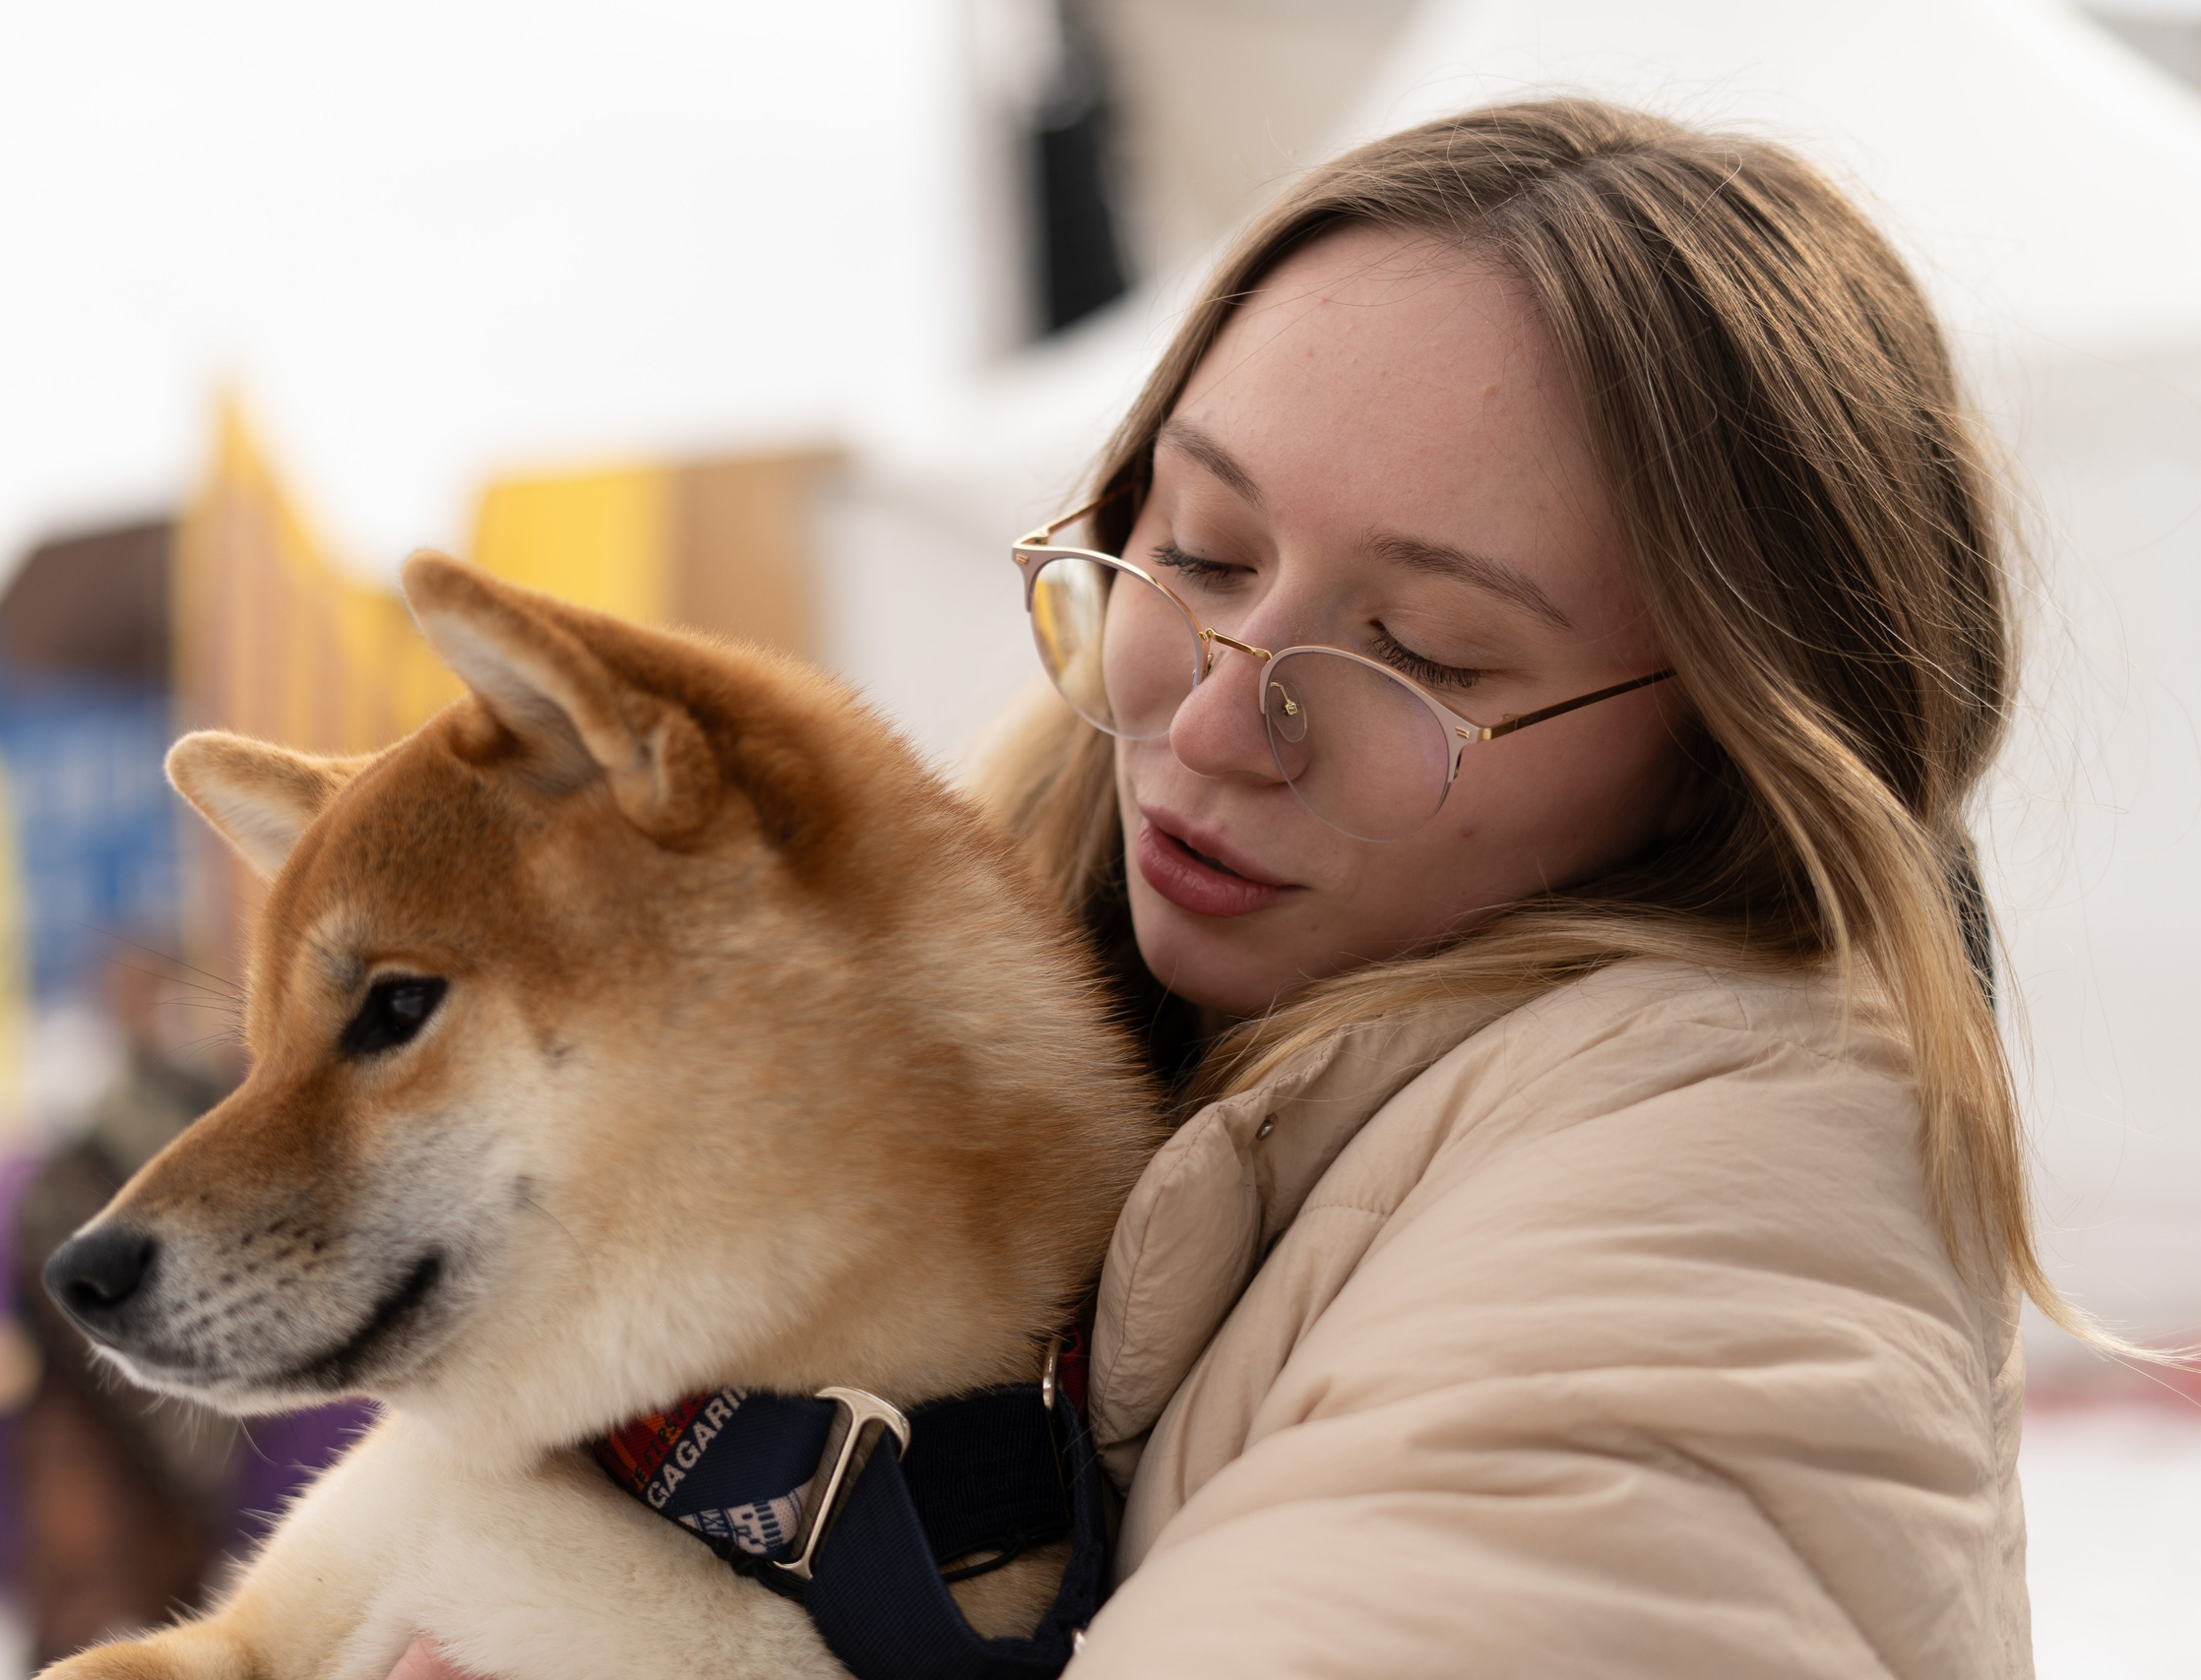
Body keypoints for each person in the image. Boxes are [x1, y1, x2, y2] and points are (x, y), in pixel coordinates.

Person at [396, 96, 2047, 1677]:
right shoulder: (994, 1024)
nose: (1207, 720)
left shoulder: (1728, 1217)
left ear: (1727, 756)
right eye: (1198, 546)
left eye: (1425, 651)